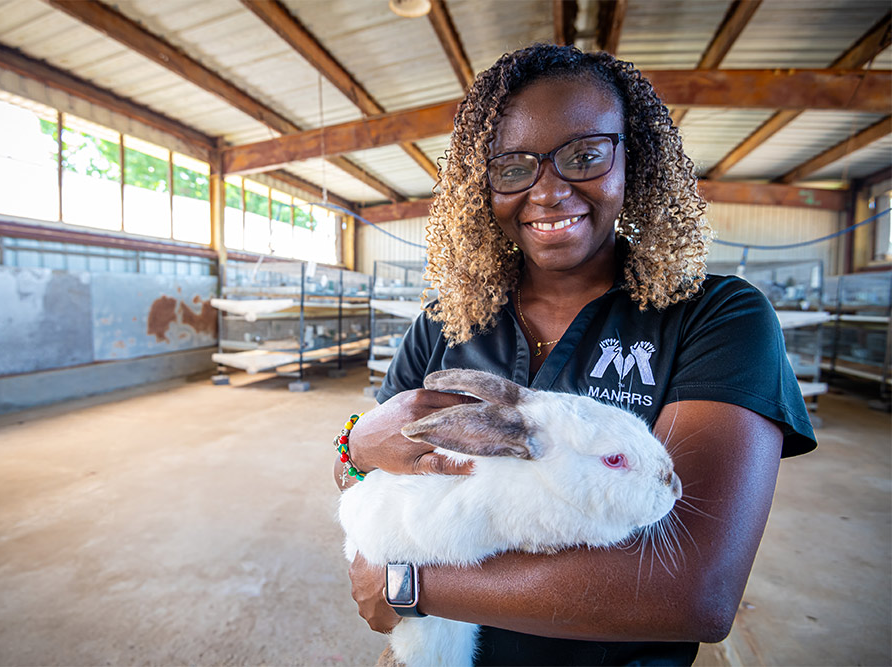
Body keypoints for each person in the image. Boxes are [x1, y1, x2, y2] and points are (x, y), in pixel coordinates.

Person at [334, 43, 816, 666]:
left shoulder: (717, 317)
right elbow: (364, 479)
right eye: (513, 166)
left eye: (584, 156)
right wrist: (354, 444)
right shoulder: (446, 320)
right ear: (483, 185)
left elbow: (695, 593)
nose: (549, 192)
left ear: (632, 161)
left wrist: (410, 586)